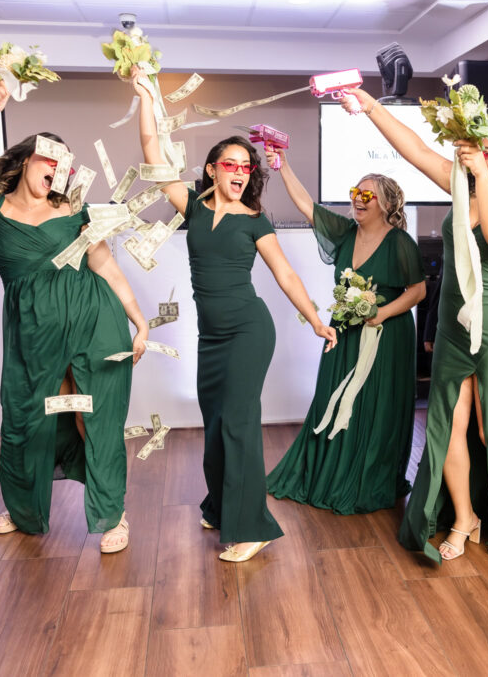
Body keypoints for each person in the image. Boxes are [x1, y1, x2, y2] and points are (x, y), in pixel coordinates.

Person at [341, 88, 488, 561]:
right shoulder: (466, 187)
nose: (478, 155)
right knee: (446, 425)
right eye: (478, 150)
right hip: (453, 323)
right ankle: (464, 518)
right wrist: (371, 107)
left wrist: (478, 173)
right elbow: (416, 150)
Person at [131, 71, 337, 562]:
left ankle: (253, 526)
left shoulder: (255, 220)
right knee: (217, 421)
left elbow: (286, 274)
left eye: (247, 165)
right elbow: (151, 148)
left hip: (248, 330)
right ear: (213, 169)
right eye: (231, 163)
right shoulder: (193, 207)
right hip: (212, 337)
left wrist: (314, 319)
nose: (241, 171)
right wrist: (143, 94)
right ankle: (222, 505)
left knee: (240, 424)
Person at [0, 82, 147, 554]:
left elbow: (106, 265)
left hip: (94, 324)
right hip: (33, 336)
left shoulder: (77, 211)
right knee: (31, 419)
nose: (54, 170)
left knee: (94, 418)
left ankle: (113, 514)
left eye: (62, 164)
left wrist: (140, 320)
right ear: (26, 160)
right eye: (47, 159)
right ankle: (24, 508)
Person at [264, 149, 426, 514]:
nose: (357, 199)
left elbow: (418, 291)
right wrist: (284, 165)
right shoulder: (345, 232)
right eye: (355, 192)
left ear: (386, 203)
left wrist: (380, 312)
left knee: (375, 405)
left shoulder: (401, 243)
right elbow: (307, 205)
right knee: (331, 398)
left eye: (366, 194)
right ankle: (329, 470)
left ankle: (369, 476)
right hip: (344, 332)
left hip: (388, 335)